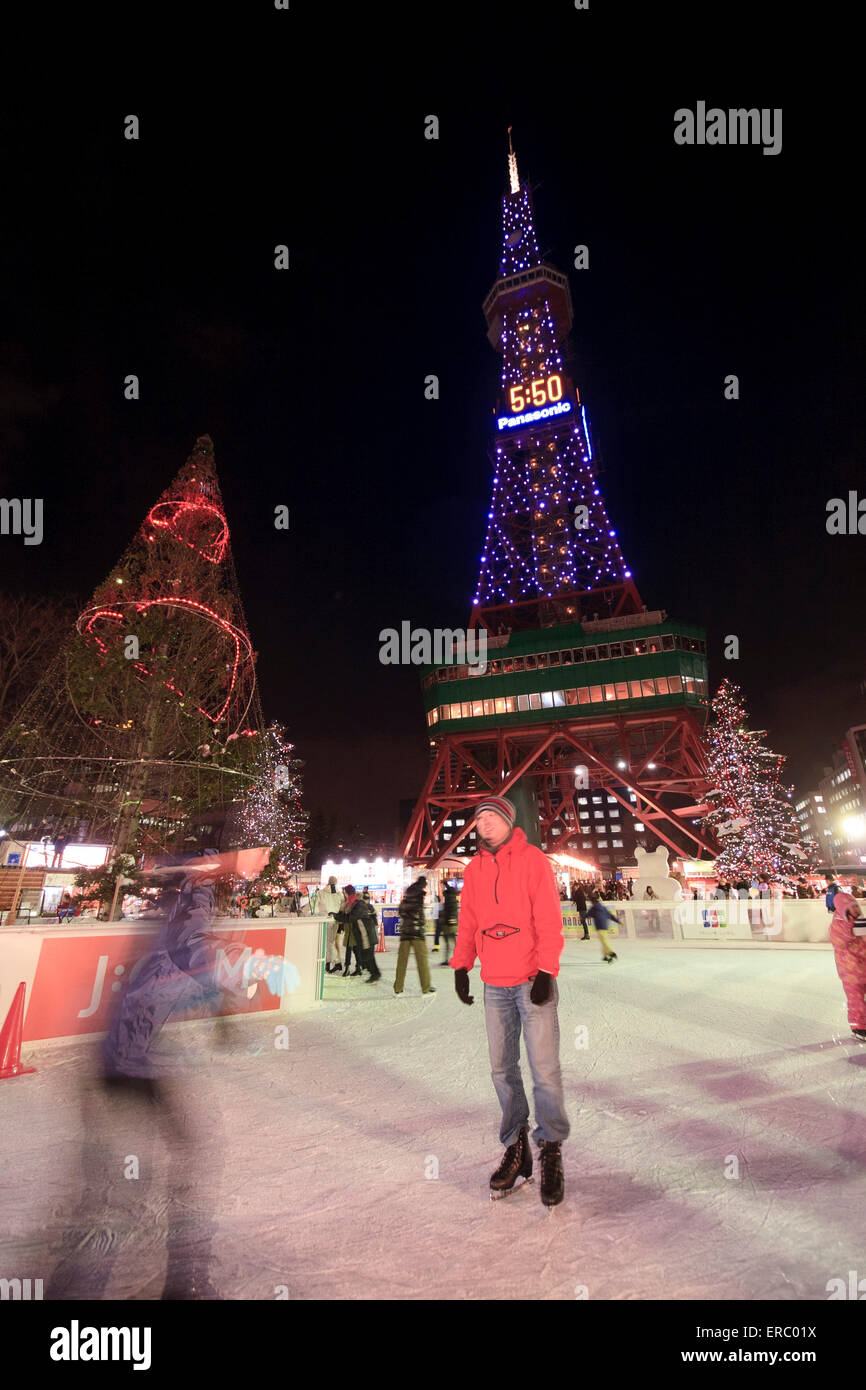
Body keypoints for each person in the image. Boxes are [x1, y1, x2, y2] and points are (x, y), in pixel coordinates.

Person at [450, 794, 568, 1208]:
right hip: (494, 984)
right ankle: (517, 1149)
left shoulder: (533, 860)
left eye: (491, 817)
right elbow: (469, 922)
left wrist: (546, 971)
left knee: (544, 1070)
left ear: (507, 821)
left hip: (531, 979)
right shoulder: (475, 870)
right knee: (502, 1070)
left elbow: (549, 919)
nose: (483, 823)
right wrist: (462, 965)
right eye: (478, 818)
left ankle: (550, 1148)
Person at [828, 885, 866, 1039]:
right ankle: (859, 1026)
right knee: (856, 1000)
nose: (855, 910)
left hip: (862, 966)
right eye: (851, 908)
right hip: (850, 971)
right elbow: (839, 941)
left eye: (856, 907)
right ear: (843, 910)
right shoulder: (838, 924)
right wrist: (850, 927)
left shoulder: (860, 921)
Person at [394, 877, 435, 995]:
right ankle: (426, 987)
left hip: (405, 932)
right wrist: (419, 922)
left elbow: (401, 910)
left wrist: (407, 919)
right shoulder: (419, 896)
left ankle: (398, 988)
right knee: (422, 961)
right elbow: (418, 913)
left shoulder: (407, 896)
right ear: (423, 885)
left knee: (402, 962)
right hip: (417, 933)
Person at [335, 885, 381, 981]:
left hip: (366, 933)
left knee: (367, 955)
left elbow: (350, 918)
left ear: (347, 894)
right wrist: (339, 912)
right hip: (362, 933)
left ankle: (375, 974)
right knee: (365, 955)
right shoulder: (352, 903)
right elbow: (346, 915)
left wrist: (336, 916)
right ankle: (373, 973)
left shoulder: (358, 904)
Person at [319, 875, 344, 973]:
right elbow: (342, 907)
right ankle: (328, 963)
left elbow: (316, 905)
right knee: (330, 942)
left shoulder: (322, 893)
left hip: (327, 919)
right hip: (336, 920)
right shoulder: (340, 894)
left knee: (328, 942)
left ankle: (337, 963)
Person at [587, 890, 620, 962]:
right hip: (605, 926)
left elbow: (587, 915)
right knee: (603, 941)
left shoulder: (593, 908)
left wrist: (583, 917)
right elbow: (610, 915)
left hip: (600, 927)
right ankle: (605, 955)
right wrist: (617, 921)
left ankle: (611, 953)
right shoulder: (602, 907)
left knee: (604, 941)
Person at [436, 884, 459, 964]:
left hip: (449, 924)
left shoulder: (450, 901)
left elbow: (448, 913)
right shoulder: (452, 900)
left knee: (450, 943)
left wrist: (445, 920)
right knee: (452, 943)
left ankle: (452, 959)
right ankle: (454, 958)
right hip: (451, 924)